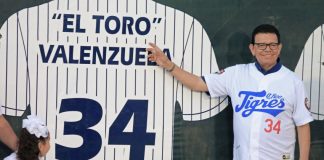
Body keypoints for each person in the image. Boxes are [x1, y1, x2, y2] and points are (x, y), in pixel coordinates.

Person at [147, 24, 313, 160]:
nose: (267, 49)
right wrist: (169, 65)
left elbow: (303, 125)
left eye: (272, 45)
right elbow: (199, 83)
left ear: (279, 48)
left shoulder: (293, 81)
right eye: (261, 45)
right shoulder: (237, 74)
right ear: (252, 49)